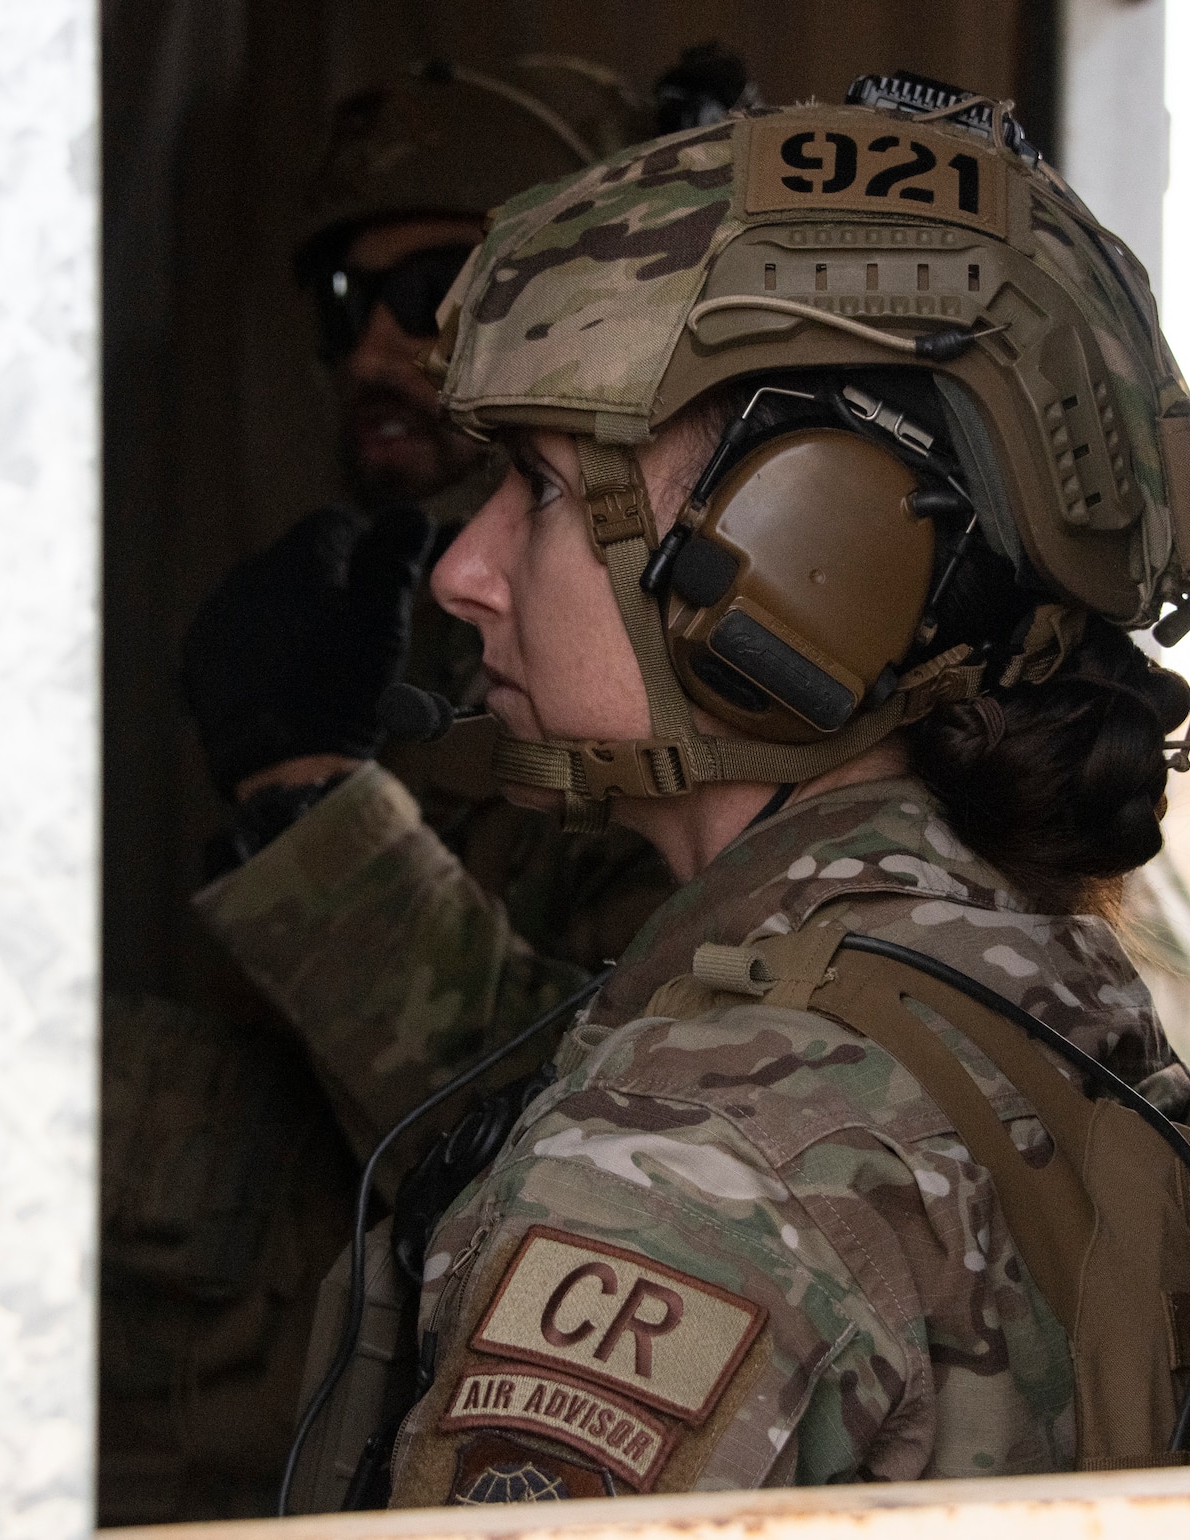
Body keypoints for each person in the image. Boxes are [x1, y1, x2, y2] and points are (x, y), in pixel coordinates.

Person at [205, 79, 1190, 1506]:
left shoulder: (687, 1175)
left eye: (538, 486)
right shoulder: (1056, 1008)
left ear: (799, 550)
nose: (463, 571)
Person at [97, 51, 754, 1524]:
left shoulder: (759, 667)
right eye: (345, 305)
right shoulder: (401, 656)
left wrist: (319, 808)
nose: (379, 349)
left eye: (439, 291)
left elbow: (617, 1181)